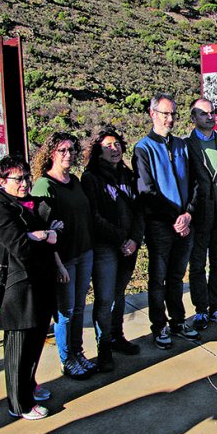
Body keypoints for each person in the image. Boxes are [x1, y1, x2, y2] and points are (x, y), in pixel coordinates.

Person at [0, 155, 58, 420]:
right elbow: (20, 248)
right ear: (2, 180)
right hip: (18, 287)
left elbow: (37, 236)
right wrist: (41, 236)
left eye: (27, 177)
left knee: (35, 341)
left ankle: (29, 387)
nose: (25, 183)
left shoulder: (21, 204)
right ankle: (19, 404)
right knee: (18, 348)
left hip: (37, 283)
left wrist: (40, 234)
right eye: (18, 179)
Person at [133, 92, 200, 349]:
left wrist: (188, 214)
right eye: (165, 113)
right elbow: (147, 191)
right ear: (153, 114)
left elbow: (195, 183)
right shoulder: (143, 148)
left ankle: (178, 320)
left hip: (185, 222)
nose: (170, 118)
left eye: (173, 113)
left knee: (176, 277)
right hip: (161, 225)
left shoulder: (181, 145)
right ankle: (159, 325)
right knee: (157, 278)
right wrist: (175, 217)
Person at [31, 132, 96, 379]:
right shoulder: (44, 186)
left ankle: (78, 353)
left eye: (71, 150)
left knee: (79, 308)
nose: (68, 155)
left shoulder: (75, 181)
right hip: (64, 259)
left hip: (84, 252)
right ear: (51, 154)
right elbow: (43, 230)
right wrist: (57, 264)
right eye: (62, 150)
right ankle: (66, 359)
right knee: (64, 313)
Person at [81, 128, 144, 371]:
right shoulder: (91, 178)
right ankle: (103, 346)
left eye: (117, 144)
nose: (114, 149)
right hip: (106, 247)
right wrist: (122, 239)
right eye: (108, 145)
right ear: (98, 150)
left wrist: (135, 239)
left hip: (130, 246)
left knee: (119, 295)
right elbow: (94, 217)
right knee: (105, 297)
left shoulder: (127, 175)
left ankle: (117, 336)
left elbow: (139, 209)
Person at [185, 98, 217, 331]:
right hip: (197, 216)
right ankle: (200, 311)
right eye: (204, 113)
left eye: (212, 112)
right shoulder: (185, 146)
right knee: (197, 265)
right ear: (194, 118)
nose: (210, 116)